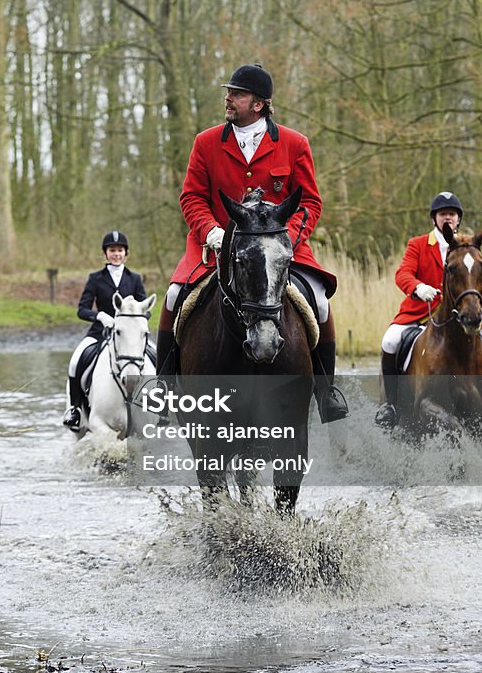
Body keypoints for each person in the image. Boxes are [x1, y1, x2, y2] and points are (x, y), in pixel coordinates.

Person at [155, 62, 348, 423]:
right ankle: (164, 389)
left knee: (320, 303)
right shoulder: (206, 142)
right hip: (214, 251)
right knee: (172, 298)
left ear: (258, 103)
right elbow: (192, 197)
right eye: (229, 92)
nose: (228, 99)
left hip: (279, 251)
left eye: (237, 94)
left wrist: (284, 239)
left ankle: (326, 392)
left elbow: (309, 203)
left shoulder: (293, 144)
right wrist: (211, 231)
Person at [374, 191, 482, 428]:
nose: (448, 218)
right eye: (443, 214)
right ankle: (390, 406)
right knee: (390, 341)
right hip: (420, 313)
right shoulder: (419, 244)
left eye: (452, 214)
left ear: (458, 219)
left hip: (461, 315)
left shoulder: (470, 247)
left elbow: (480, 282)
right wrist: (418, 287)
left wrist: (472, 300)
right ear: (434, 219)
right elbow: (402, 273)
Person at [63, 230, 148, 429]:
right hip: (99, 334)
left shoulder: (134, 279)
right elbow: (82, 309)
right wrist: (99, 316)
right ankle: (75, 409)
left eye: (120, 250)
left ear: (126, 253)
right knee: (76, 361)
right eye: (112, 250)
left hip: (129, 336)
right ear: (105, 253)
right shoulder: (95, 278)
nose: (116, 254)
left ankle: (160, 409)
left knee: (154, 356)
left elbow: (145, 308)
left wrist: (136, 320)